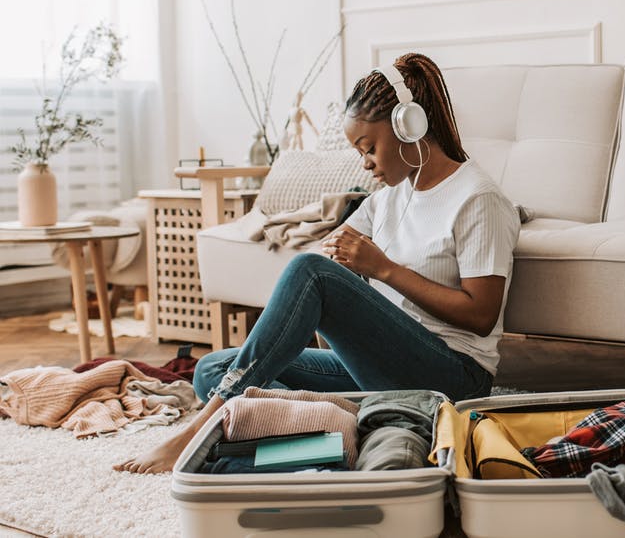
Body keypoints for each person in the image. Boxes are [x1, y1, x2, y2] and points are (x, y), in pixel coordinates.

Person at [115, 53, 521, 474]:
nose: (365, 164)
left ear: (409, 125)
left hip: (452, 375)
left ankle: (201, 428)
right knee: (213, 368)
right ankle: (340, 425)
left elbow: (481, 313)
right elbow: (331, 262)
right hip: (383, 369)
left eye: (369, 149)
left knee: (306, 280)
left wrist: (385, 270)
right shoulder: (389, 199)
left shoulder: (478, 199)